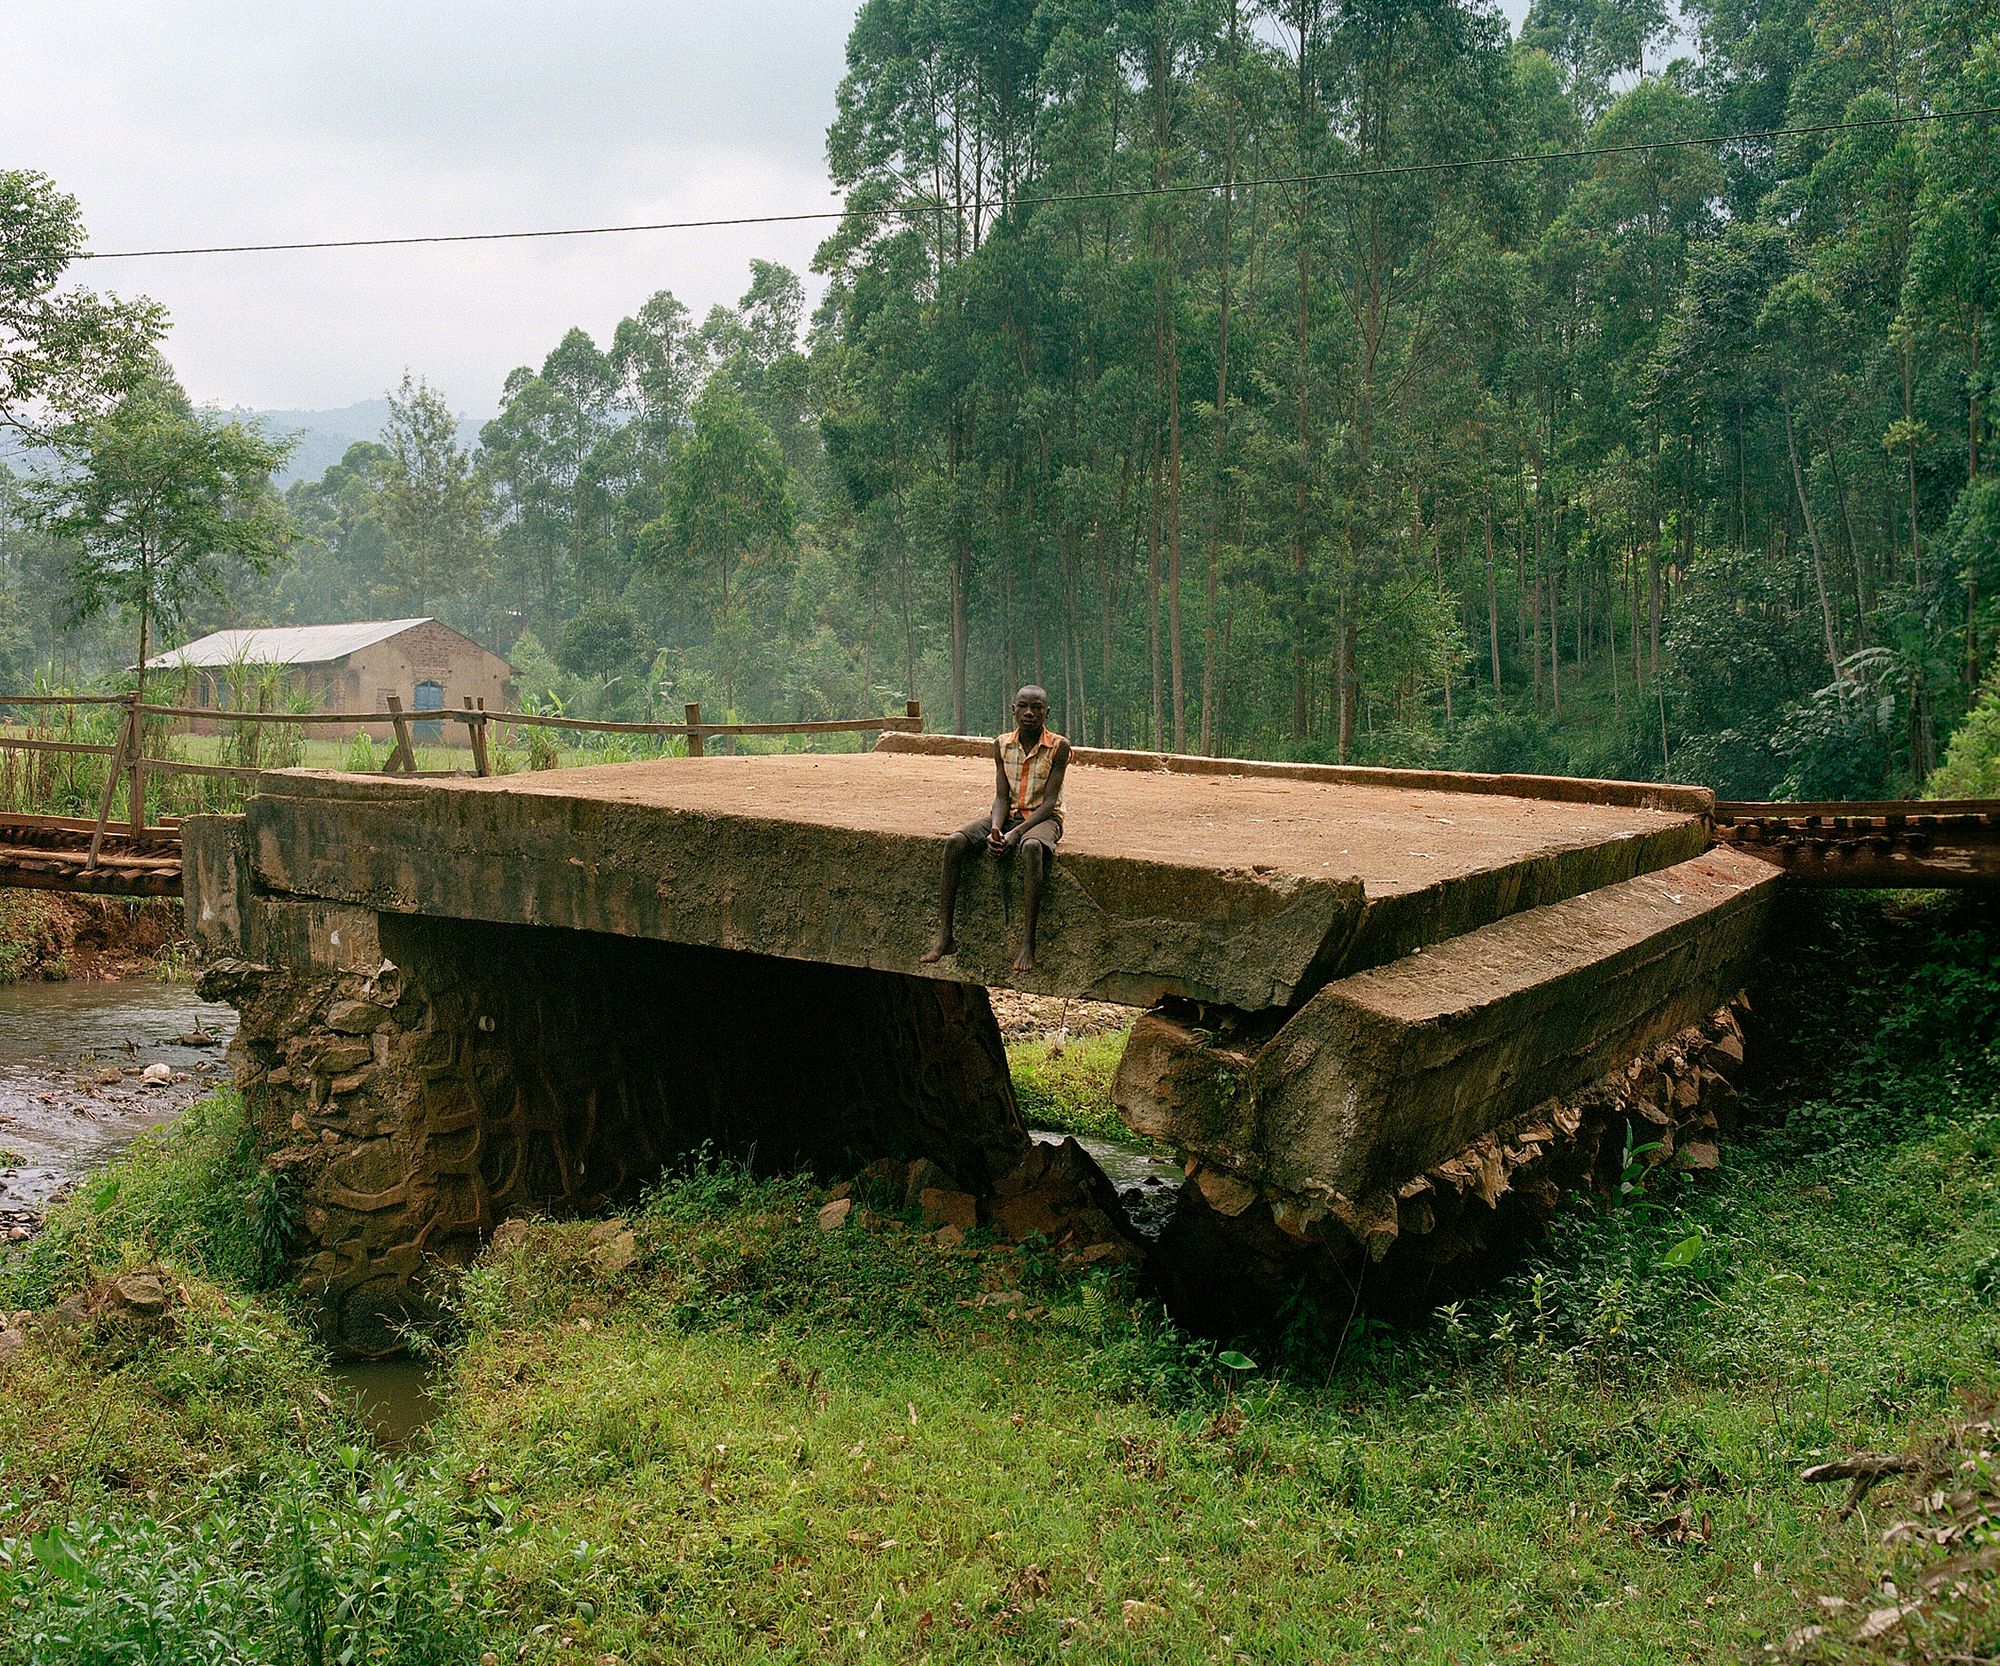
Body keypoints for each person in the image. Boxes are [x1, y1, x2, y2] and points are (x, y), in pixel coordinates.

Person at [922, 685, 1072, 973]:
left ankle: (1028, 941)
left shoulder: (1059, 747)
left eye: (1037, 707)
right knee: (955, 842)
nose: (1030, 713)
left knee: (1030, 848)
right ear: (1013, 710)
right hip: (1007, 816)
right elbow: (1001, 797)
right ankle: (945, 935)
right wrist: (995, 829)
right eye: (1023, 706)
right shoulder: (1001, 744)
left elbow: (1050, 803)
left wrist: (1014, 834)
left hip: (1044, 820)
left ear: (1047, 712)